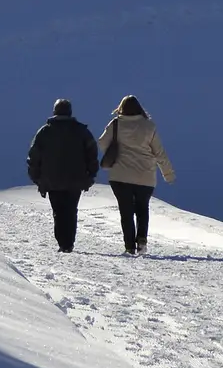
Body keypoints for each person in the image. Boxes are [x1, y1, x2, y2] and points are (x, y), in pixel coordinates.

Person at [99, 95, 174, 255]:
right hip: (145, 176)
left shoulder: (116, 124)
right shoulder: (149, 126)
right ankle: (141, 242)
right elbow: (159, 152)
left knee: (125, 211)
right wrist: (167, 174)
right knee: (142, 209)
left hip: (120, 175)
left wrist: (116, 152)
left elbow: (102, 142)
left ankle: (129, 246)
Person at [26, 98, 99, 252]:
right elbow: (92, 153)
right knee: (71, 210)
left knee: (58, 212)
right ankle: (69, 243)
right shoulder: (81, 131)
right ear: (70, 112)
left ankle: (62, 243)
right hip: (76, 179)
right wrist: (90, 175)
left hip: (51, 180)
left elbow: (34, 156)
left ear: (55, 112)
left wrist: (37, 178)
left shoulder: (45, 131)